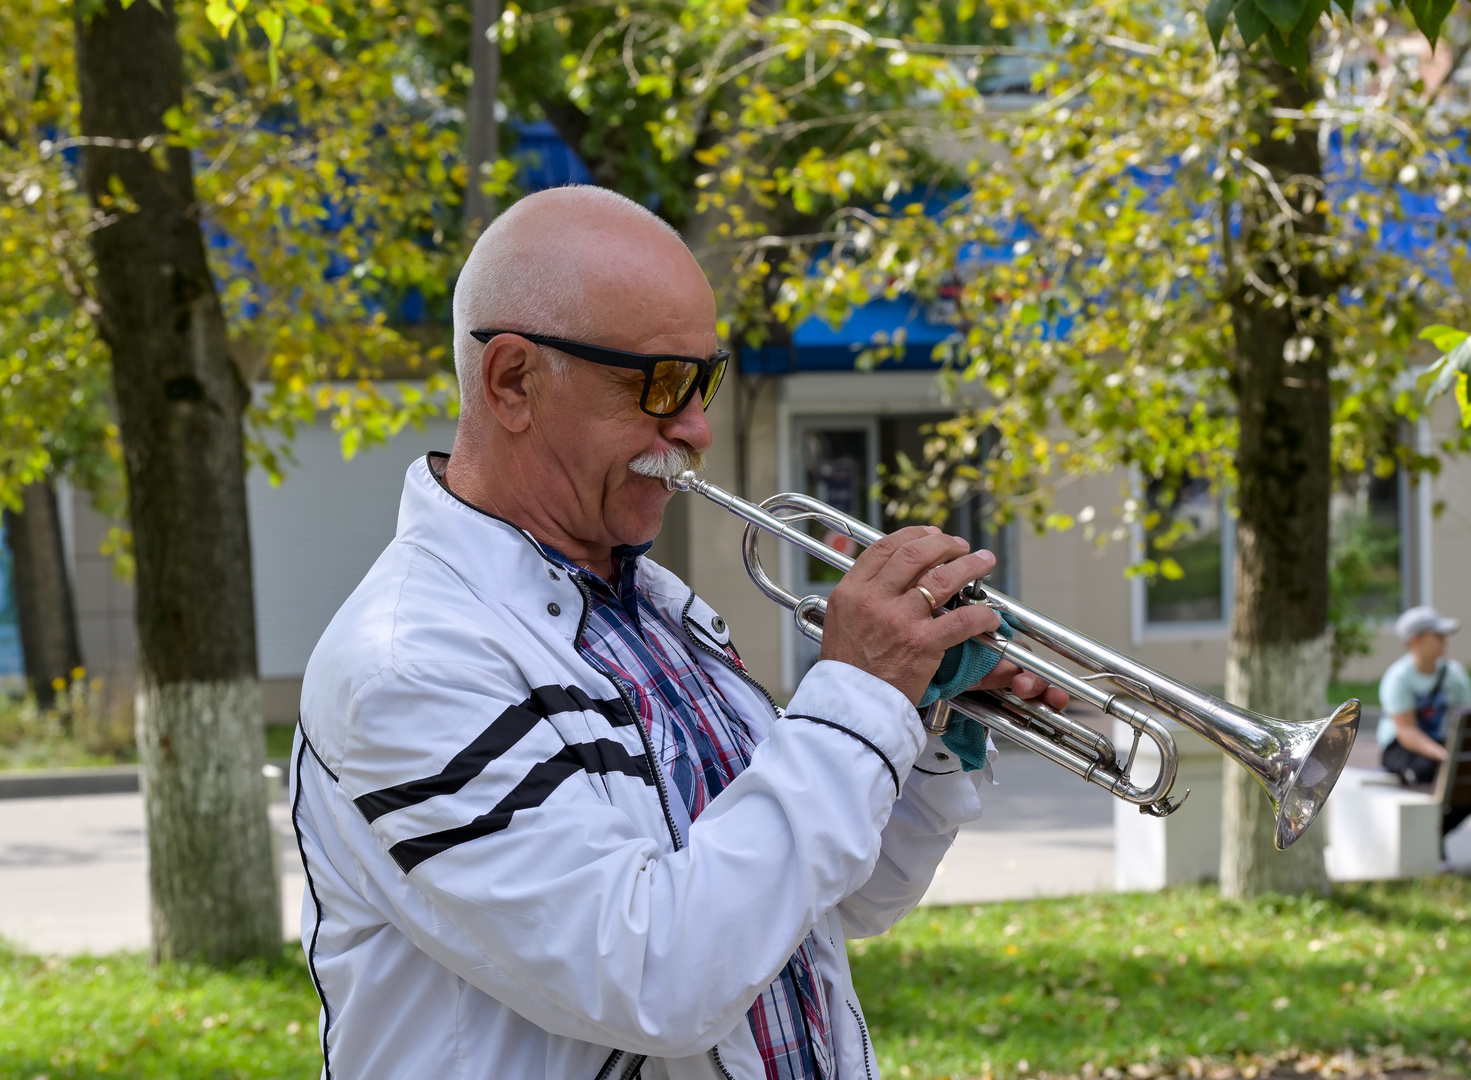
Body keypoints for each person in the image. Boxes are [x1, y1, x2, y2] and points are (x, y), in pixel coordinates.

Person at [289, 185, 1066, 1080]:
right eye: (659, 384)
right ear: (513, 381)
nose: (694, 428)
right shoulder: (410, 663)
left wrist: (925, 725)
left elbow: (823, 902)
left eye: (707, 381)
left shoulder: (654, 606)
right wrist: (855, 695)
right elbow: (658, 978)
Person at [1376, 606, 1471, 838]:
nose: (1445, 641)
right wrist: (1444, 755)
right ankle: (1425, 839)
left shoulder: (1455, 675)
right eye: (1438, 636)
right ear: (1415, 641)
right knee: (1423, 774)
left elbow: (1463, 720)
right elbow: (1406, 731)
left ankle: (1434, 837)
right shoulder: (1399, 678)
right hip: (1403, 749)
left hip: (1441, 744)